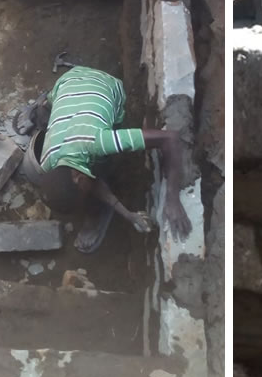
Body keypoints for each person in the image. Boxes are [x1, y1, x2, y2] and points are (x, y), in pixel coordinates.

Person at [20, 65, 192, 252]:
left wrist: (173, 198)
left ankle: (97, 214)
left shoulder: (100, 141)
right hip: (67, 80)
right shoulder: (47, 158)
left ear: (79, 178)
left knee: (103, 163)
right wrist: (128, 214)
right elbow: (89, 182)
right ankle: (44, 105)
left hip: (107, 84)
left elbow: (170, 138)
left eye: (85, 191)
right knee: (54, 124)